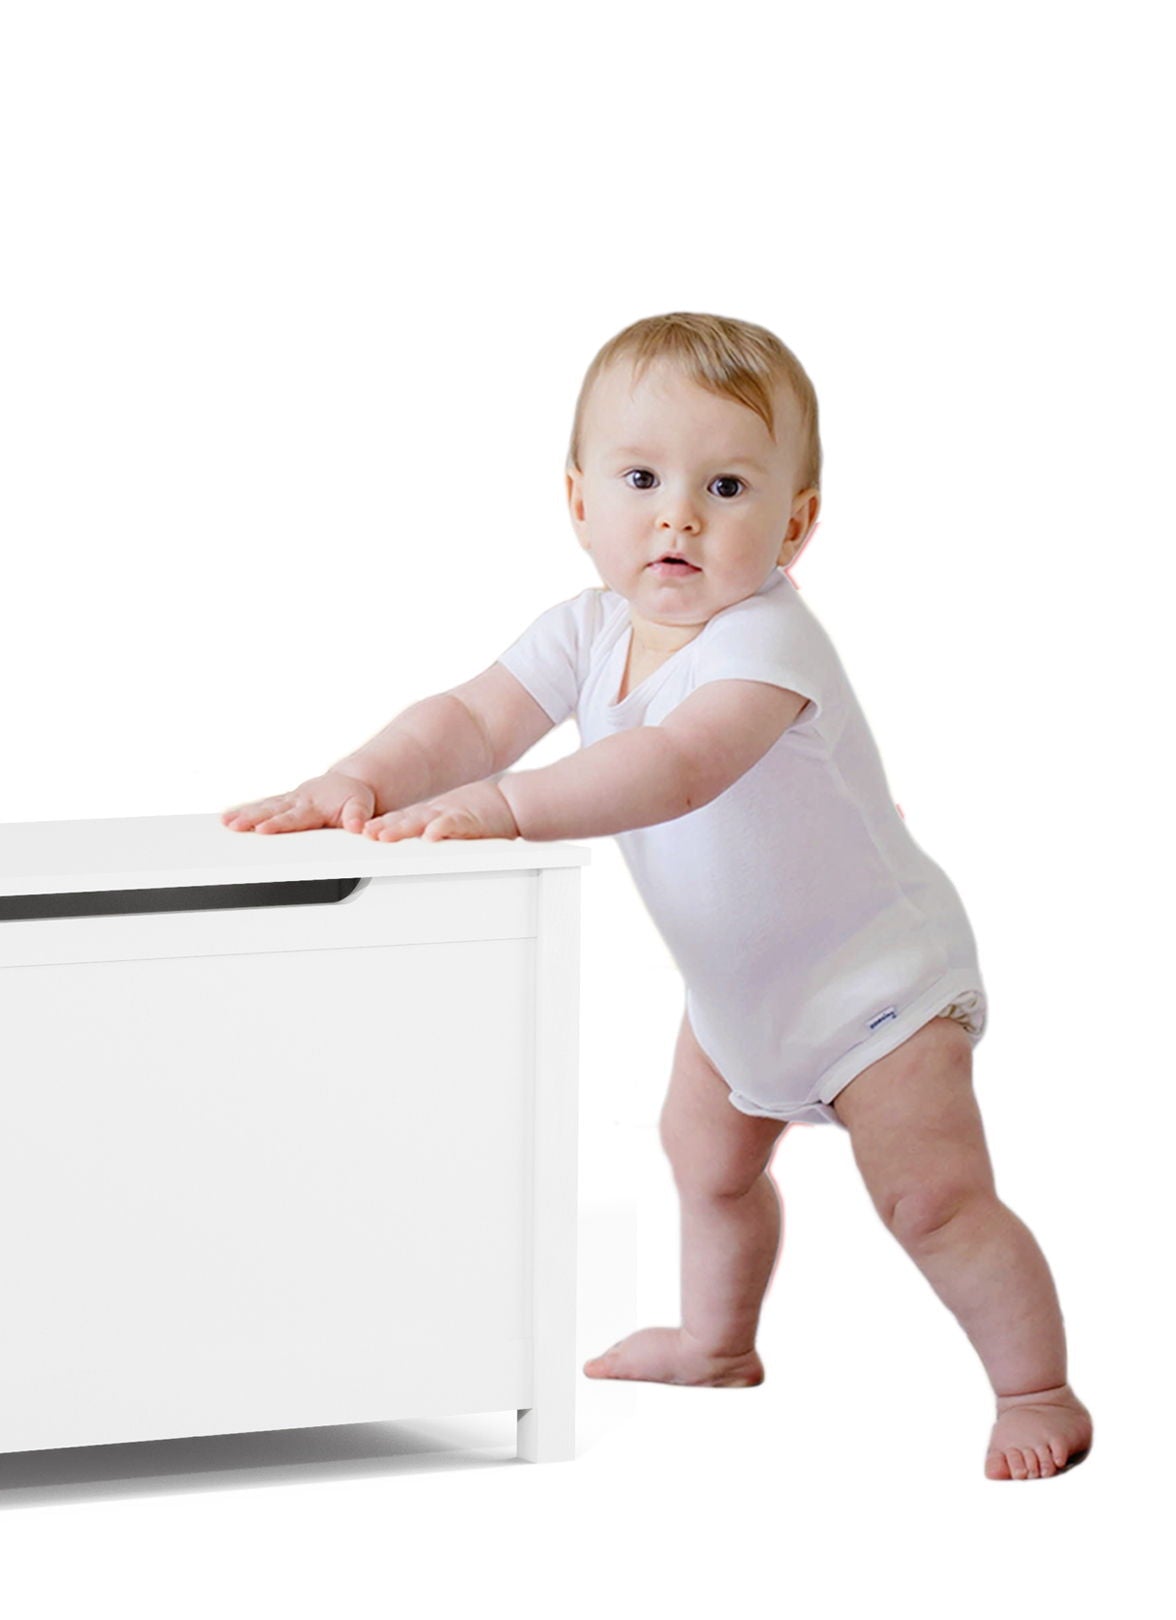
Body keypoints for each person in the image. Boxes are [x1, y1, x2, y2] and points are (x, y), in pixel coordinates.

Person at [222, 311, 1092, 1480]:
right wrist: (362, 777)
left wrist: (505, 805)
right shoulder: (584, 630)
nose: (677, 516)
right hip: (736, 991)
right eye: (640, 479)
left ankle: (1034, 1387)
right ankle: (714, 1342)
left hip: (876, 985)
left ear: (794, 523)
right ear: (577, 500)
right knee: (705, 1162)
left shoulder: (764, 646)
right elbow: (470, 717)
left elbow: (675, 766)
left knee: (930, 1199)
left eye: (723, 486)